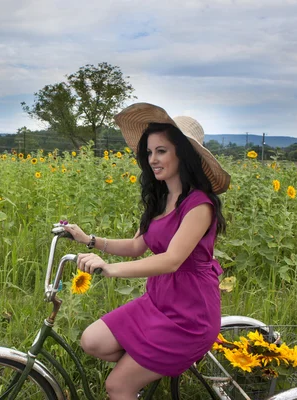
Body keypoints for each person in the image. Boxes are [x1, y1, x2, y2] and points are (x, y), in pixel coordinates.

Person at [63, 102, 230, 400]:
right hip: (157, 302)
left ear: (183, 153)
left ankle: (135, 378)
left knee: (117, 385)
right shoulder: (161, 198)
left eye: (161, 151)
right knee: (92, 341)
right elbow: (135, 246)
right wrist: (87, 239)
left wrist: (109, 269)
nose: (152, 159)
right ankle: (145, 366)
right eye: (149, 152)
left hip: (189, 316)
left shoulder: (199, 204)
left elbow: (172, 260)